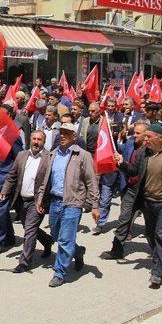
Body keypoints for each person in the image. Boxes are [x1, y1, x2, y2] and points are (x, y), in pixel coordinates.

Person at [113, 123, 162, 288]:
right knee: (150, 235)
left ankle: (157, 272)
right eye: (146, 136)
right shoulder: (143, 153)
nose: (146, 140)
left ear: (161, 138)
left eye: (149, 137)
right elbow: (135, 171)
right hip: (147, 202)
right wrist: (122, 164)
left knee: (161, 235)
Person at [36, 123, 99, 287]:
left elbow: (92, 182)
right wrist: (40, 199)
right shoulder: (53, 154)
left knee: (65, 240)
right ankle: (77, 252)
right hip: (55, 202)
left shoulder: (82, 155)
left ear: (74, 137)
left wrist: (95, 206)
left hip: (73, 203)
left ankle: (59, 273)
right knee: (57, 236)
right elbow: (44, 180)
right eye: (61, 133)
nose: (62, 136)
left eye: (66, 133)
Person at [0, 130, 53, 273]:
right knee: (28, 227)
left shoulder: (49, 157)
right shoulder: (21, 155)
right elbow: (12, 176)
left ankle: (24, 262)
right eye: (34, 139)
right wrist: (5, 191)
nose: (36, 142)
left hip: (37, 201)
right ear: (30, 140)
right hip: (21, 201)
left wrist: (45, 200)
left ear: (44, 141)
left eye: (39, 139)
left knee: (29, 231)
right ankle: (47, 241)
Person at [105, 121, 149, 257]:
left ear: (146, 135)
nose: (134, 135)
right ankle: (116, 250)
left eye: (137, 133)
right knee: (124, 219)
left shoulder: (150, 149)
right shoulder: (130, 144)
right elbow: (123, 161)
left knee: (152, 223)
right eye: (134, 132)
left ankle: (157, 253)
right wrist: (119, 160)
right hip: (130, 188)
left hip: (146, 190)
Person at [0, 105, 25, 255]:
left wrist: (14, 179)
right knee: (1, 211)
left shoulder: (12, 135)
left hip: (4, 179)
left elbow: (20, 158)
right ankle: (8, 237)